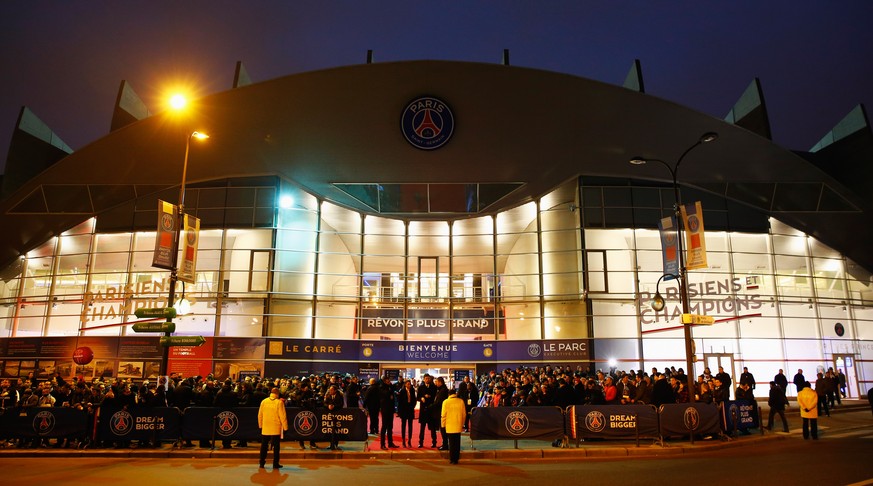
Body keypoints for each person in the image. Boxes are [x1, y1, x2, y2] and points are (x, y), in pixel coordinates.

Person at [258, 387, 288, 469]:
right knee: (276, 447)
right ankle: (275, 463)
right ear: (277, 394)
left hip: (265, 427)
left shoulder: (264, 401)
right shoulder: (279, 403)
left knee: (264, 446)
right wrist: (285, 428)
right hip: (275, 428)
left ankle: (261, 463)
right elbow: (283, 416)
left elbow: (260, 415)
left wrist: (260, 425)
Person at [440, 388, 466, 465]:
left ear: (449, 394)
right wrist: (462, 423)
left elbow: (443, 415)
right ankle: (456, 458)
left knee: (451, 443)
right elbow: (464, 414)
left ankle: (452, 459)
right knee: (457, 443)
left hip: (449, 425)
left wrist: (443, 425)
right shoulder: (461, 401)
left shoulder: (445, 402)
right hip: (458, 424)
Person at [417, 374, 438, 448]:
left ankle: (434, 442)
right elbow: (418, 397)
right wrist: (421, 398)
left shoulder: (434, 387)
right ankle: (420, 442)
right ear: (424, 379)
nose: (427, 380)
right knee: (422, 428)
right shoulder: (421, 387)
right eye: (426, 378)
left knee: (433, 428)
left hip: (431, 410)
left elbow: (436, 397)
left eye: (428, 378)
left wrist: (430, 396)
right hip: (423, 410)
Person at [378, 375, 398, 449]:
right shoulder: (381, 387)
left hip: (390, 409)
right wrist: (390, 391)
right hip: (385, 409)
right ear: (384, 381)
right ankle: (382, 444)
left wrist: (391, 387)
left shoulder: (390, 387)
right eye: (387, 381)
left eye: (389, 381)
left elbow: (393, 391)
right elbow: (386, 394)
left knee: (390, 427)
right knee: (384, 427)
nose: (389, 382)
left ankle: (390, 442)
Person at [396, 378, 417, 447]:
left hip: (410, 410)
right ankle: (403, 440)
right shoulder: (402, 391)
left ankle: (409, 440)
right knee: (403, 426)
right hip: (404, 410)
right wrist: (399, 412)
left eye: (410, 384)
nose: (409, 385)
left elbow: (414, 399)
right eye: (408, 384)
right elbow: (400, 402)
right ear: (405, 385)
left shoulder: (412, 390)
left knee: (410, 426)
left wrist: (412, 406)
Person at [323, 384, 344, 450]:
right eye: (330, 390)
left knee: (336, 430)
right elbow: (324, 403)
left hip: (337, 415)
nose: (330, 391)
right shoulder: (328, 395)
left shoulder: (339, 396)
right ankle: (331, 444)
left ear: (335, 390)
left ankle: (336, 444)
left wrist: (334, 406)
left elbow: (341, 404)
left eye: (331, 390)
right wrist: (328, 406)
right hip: (329, 415)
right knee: (329, 430)